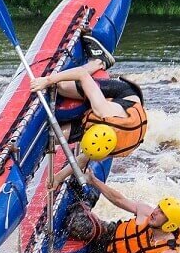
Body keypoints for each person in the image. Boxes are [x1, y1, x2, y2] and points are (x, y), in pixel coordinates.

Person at [30, 34, 147, 169]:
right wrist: (48, 80)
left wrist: (57, 178)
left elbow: (82, 159)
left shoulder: (111, 147)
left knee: (52, 138)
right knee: (61, 86)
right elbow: (82, 75)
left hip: (118, 124)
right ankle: (100, 62)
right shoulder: (102, 110)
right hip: (123, 95)